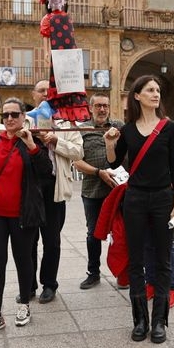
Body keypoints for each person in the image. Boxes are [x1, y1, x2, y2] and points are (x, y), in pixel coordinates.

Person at [105, 75, 174, 344]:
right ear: (136, 96)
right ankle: (140, 320)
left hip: (162, 198)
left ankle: (159, 321)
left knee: (162, 260)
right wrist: (109, 142)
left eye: (158, 90)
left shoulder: (169, 128)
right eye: (150, 90)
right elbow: (114, 161)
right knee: (135, 259)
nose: (155, 94)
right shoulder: (127, 130)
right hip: (135, 198)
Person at [0, 98, 52, 335]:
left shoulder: (32, 143)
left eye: (15, 114)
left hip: (23, 214)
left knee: (23, 259)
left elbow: (46, 172)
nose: (10, 119)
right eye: (6, 115)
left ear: (24, 117)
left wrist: (32, 146)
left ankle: (24, 304)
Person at [23, 79, 84, 304]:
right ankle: (28, 285)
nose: (45, 95)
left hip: (54, 188)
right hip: (29, 189)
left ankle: (49, 285)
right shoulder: (24, 119)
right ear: (33, 95)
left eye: (50, 92)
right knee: (27, 240)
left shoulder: (66, 122)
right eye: (41, 91)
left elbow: (78, 152)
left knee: (52, 241)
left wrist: (57, 141)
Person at [73, 94, 123, 290]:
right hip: (92, 191)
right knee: (93, 234)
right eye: (99, 106)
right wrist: (98, 172)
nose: (102, 109)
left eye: (106, 106)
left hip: (118, 190)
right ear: (91, 108)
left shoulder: (119, 125)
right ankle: (93, 273)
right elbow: (76, 161)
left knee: (121, 232)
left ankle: (122, 272)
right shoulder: (81, 129)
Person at [33, 0, 90, 122]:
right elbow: (45, 36)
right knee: (58, 86)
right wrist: (46, 52)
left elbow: (71, 38)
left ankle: (72, 119)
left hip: (70, 56)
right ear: (47, 0)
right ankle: (48, 108)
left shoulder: (67, 17)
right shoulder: (47, 18)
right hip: (57, 56)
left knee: (72, 87)